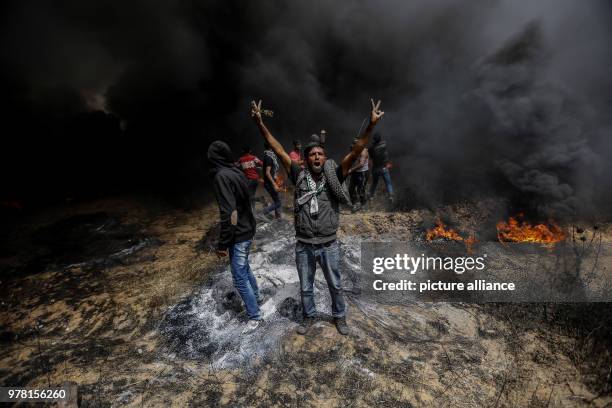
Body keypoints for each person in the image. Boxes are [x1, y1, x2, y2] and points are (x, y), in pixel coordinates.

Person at [250, 99, 384, 336]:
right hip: (304, 245)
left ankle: (339, 317)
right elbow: (279, 149)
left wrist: (371, 125)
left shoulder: (335, 175)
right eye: (312, 154)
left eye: (320, 154)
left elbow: (355, 152)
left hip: (328, 244)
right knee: (306, 286)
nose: (316, 157)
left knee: (335, 284)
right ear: (306, 159)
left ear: (325, 157)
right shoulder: (299, 175)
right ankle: (309, 316)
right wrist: (261, 124)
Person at [207, 141, 263, 334]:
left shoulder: (221, 177)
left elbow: (229, 212)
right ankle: (257, 296)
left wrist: (223, 243)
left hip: (238, 234)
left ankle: (255, 316)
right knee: (244, 268)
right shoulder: (237, 172)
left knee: (239, 277)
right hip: (248, 229)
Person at [368, 133, 394, 207]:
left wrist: (373, 144)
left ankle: (371, 197)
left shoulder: (371, 148)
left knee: (374, 183)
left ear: (374, 140)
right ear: (380, 139)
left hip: (376, 168)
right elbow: (383, 142)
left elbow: (370, 154)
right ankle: (391, 196)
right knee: (388, 183)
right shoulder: (384, 145)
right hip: (384, 167)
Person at [237, 146, 263, 211]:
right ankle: (253, 209)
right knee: (252, 194)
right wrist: (258, 168)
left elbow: (235, 166)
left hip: (249, 180)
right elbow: (262, 163)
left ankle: (252, 209)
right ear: (250, 151)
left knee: (248, 195)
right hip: (256, 179)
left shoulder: (241, 159)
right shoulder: (254, 158)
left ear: (243, 151)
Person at [347, 138, 369, 213]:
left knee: (361, 190)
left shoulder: (363, 151)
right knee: (351, 189)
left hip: (362, 173)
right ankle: (355, 204)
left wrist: (351, 170)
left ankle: (363, 205)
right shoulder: (354, 150)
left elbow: (361, 164)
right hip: (355, 172)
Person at [262, 142, 282, 219]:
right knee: (278, 202)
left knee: (277, 199)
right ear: (271, 147)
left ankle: (278, 218)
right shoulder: (269, 157)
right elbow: (267, 173)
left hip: (271, 182)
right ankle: (264, 212)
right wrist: (274, 184)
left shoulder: (270, 156)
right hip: (269, 183)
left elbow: (270, 171)